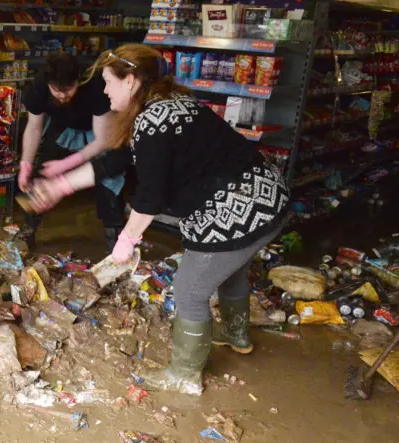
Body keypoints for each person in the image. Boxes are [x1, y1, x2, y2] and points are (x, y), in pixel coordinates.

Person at [26, 44, 290, 395]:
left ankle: (185, 373)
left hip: (238, 206)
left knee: (189, 291)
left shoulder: (152, 120)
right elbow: (114, 162)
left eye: (107, 81)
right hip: (269, 197)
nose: (104, 91)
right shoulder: (168, 104)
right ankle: (236, 335)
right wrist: (61, 185)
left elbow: (149, 198)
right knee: (230, 269)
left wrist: (126, 242)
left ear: (131, 81)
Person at [18, 52, 126, 250]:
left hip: (101, 133)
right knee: (39, 177)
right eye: (56, 90)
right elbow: (34, 127)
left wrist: (67, 164)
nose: (62, 95)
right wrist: (25, 163)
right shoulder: (39, 87)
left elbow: (103, 140)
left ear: (78, 80)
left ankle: (116, 239)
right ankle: (27, 230)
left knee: (110, 180)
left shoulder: (96, 84)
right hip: (65, 130)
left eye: (68, 89)